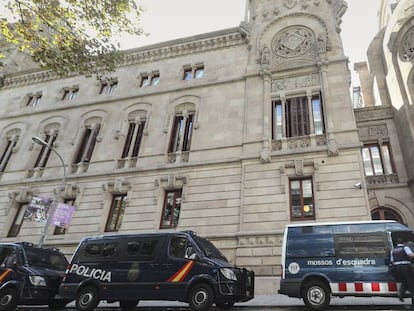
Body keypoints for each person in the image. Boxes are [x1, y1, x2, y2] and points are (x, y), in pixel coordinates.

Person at [391, 238, 414, 310]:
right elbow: (411, 255)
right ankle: (413, 305)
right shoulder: (405, 247)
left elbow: (392, 260)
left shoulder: (393, 250)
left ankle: (401, 294)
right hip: (405, 268)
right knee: (411, 285)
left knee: (405, 282)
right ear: (403, 243)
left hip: (397, 269)